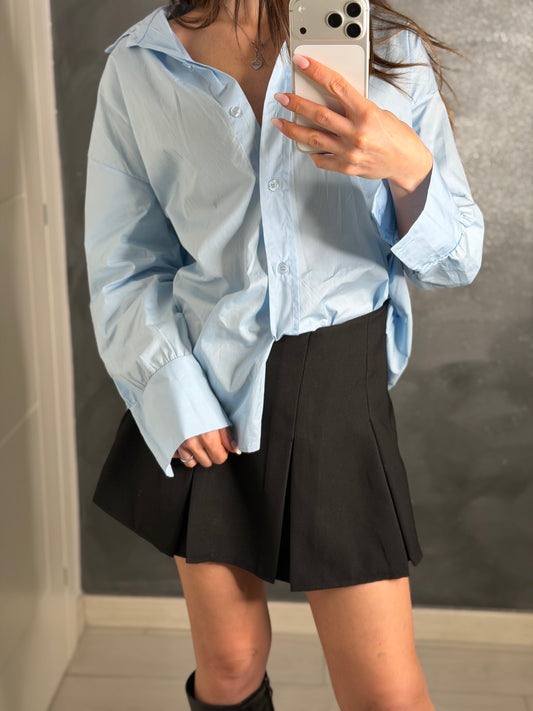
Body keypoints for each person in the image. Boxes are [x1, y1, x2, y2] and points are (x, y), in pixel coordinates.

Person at [84, 0, 484, 709]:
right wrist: (172, 390)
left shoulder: (386, 48)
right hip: (206, 388)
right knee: (230, 664)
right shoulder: (141, 64)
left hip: (335, 389)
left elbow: (457, 261)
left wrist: (407, 167)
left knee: (386, 696)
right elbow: (126, 262)